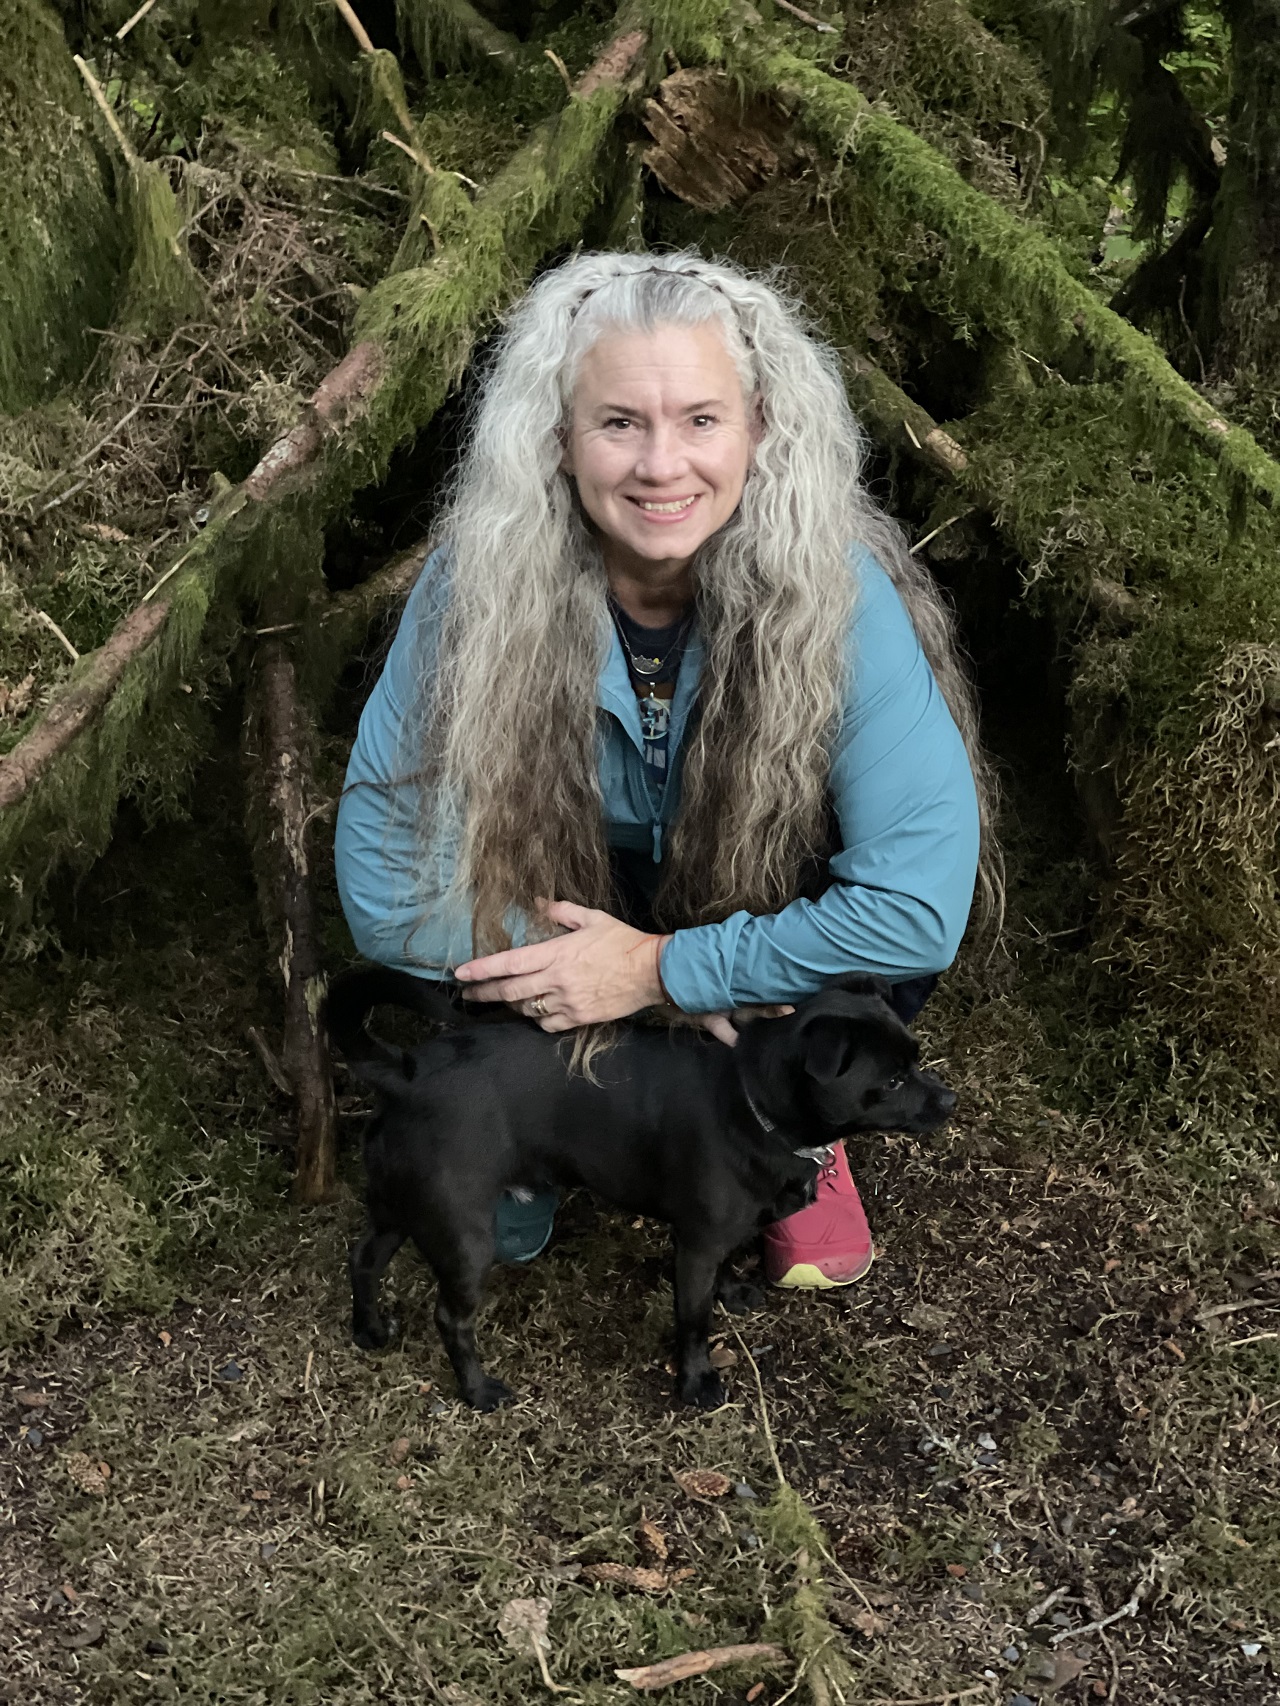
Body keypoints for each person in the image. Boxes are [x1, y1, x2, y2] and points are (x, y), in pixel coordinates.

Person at [334, 251, 993, 1289]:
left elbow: (915, 905)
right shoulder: (476, 584)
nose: (660, 465)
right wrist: (597, 974)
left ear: (759, 428)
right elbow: (384, 885)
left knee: (871, 954)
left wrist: (661, 970)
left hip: (749, 921)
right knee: (450, 932)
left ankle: (784, 1122)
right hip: (567, 908)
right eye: (617, 423)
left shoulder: (839, 594)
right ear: (557, 438)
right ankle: (533, 1128)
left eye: (699, 419)